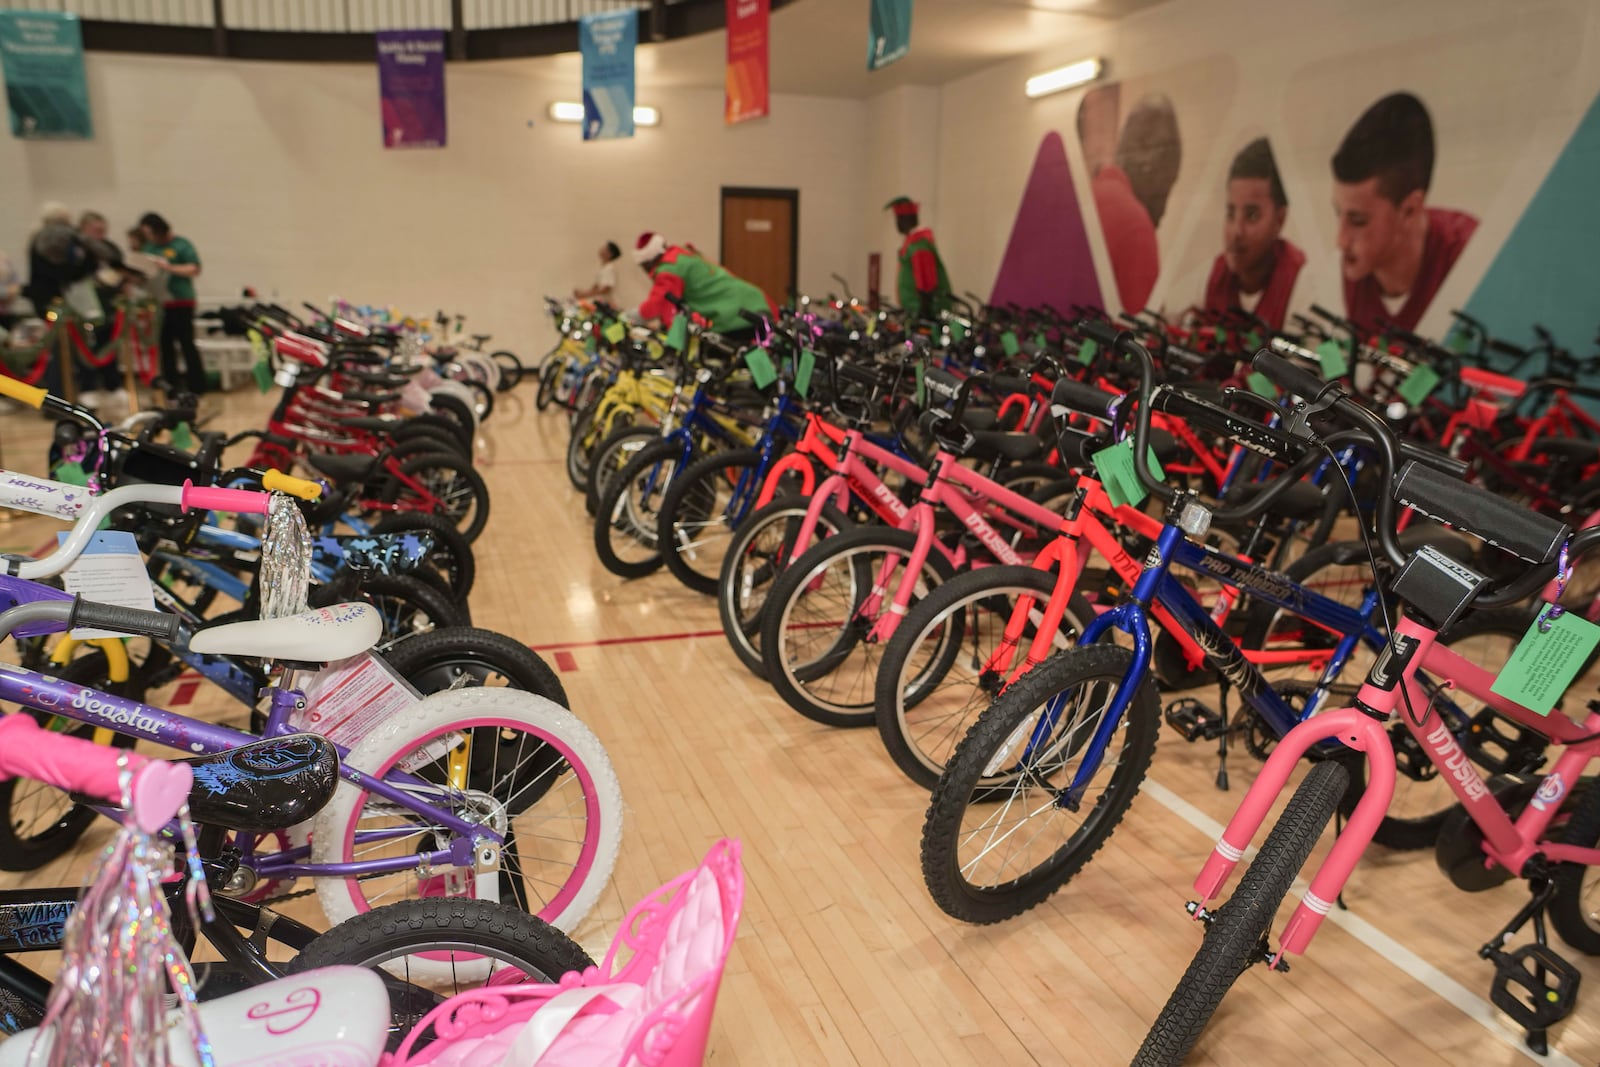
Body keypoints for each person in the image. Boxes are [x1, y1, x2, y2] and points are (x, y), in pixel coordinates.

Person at [1332, 92, 1477, 333]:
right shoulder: (1340, 273)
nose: (1340, 241)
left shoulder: (1471, 260)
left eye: (1358, 221)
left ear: (1409, 210)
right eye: (1338, 214)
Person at [1078, 87, 1178, 314]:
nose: (1161, 212)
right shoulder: (1136, 226)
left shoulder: (1088, 198)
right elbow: (1143, 336)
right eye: (1165, 191)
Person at [1202, 138, 1305, 330]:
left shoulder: (1303, 281)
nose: (1236, 231)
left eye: (1252, 215)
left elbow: (1329, 358)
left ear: (1279, 219)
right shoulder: (1215, 274)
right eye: (1231, 213)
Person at [632, 232, 774, 341]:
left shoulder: (670, 269)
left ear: (650, 260)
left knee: (724, 367)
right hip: (750, 303)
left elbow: (657, 303)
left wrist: (630, 317)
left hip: (737, 315)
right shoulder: (680, 254)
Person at [139, 211, 208, 396]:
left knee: (186, 344)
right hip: (160, 304)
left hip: (181, 301)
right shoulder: (149, 248)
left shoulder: (181, 245)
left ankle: (197, 386)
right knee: (165, 346)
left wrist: (168, 267)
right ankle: (172, 387)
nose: (148, 237)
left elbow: (194, 268)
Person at [885, 197, 952, 320]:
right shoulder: (912, 244)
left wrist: (924, 311)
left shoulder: (919, 244)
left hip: (924, 312)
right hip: (913, 311)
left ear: (904, 220)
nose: (897, 224)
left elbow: (927, 281)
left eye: (898, 219)